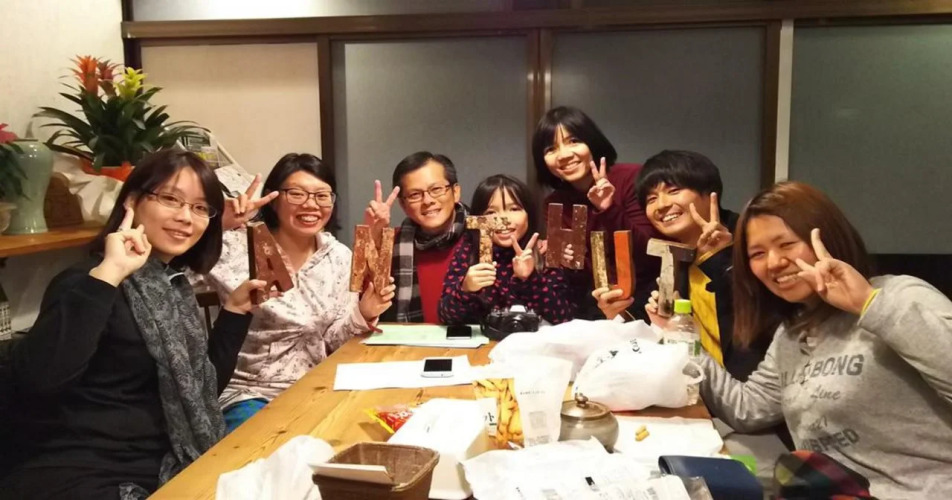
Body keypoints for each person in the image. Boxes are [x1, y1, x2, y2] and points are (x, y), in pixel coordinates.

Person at [1, 150, 266, 499]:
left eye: (200, 208)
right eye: (171, 199)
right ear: (131, 200)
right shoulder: (86, 281)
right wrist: (110, 273)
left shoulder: (172, 287)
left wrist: (234, 313)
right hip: (82, 472)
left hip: (159, 464)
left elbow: (200, 393)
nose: (185, 217)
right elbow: (39, 380)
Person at [700, 181, 952, 498]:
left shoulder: (899, 295)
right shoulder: (792, 333)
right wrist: (684, 344)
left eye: (787, 244)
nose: (774, 262)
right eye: (758, 253)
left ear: (827, 239)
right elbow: (748, 410)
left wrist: (869, 304)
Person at [208, 153, 394, 431]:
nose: (311, 204)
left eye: (322, 196)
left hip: (317, 386)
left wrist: (363, 313)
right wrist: (217, 225)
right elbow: (172, 275)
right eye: (296, 194)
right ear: (274, 199)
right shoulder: (235, 246)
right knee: (264, 449)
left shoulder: (339, 257)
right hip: (250, 392)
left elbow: (333, 340)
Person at [602, 149, 765, 381]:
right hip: (700, 386)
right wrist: (618, 312)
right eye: (651, 199)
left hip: (749, 390)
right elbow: (649, 320)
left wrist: (721, 258)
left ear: (710, 193)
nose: (661, 205)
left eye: (673, 191)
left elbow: (759, 312)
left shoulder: (750, 241)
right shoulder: (675, 256)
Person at [532, 106, 660, 320]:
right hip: (597, 303)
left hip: (650, 299)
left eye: (573, 141)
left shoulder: (631, 177)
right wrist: (565, 263)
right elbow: (577, 280)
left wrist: (608, 209)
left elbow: (651, 254)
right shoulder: (555, 203)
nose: (564, 155)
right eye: (551, 149)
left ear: (592, 142)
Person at [439, 175, 575, 325]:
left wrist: (530, 279)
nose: (504, 219)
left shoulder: (545, 252)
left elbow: (563, 318)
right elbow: (446, 316)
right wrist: (466, 289)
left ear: (529, 214)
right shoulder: (468, 250)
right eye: (491, 212)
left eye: (514, 209)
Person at [376, 151, 469, 323]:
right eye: (415, 195)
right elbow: (364, 307)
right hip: (407, 340)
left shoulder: (480, 238)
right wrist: (373, 235)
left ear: (455, 192)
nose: (427, 200)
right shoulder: (391, 243)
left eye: (436, 189)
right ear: (403, 204)